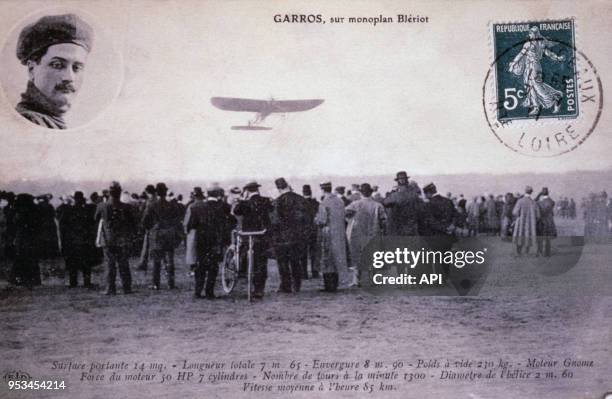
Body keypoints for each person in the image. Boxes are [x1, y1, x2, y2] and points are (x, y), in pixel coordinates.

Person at [15, 14, 94, 129]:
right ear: (32, 69)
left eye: (76, 67)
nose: (69, 77)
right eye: (57, 65)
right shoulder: (30, 121)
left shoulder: (51, 121)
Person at [508, 26, 566, 116]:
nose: (529, 35)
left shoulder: (528, 44)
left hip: (532, 67)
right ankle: (536, 106)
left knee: (536, 85)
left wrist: (513, 64)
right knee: (532, 86)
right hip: (535, 67)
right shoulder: (541, 43)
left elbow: (520, 54)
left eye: (530, 33)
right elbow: (548, 53)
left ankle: (555, 98)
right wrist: (557, 58)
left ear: (534, 34)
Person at [184, 187, 227, 299]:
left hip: (201, 240)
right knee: (213, 266)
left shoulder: (196, 207)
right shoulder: (220, 207)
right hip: (215, 240)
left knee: (200, 266)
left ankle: (198, 291)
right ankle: (210, 292)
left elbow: (191, 225)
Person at [233, 181, 273, 299]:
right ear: (257, 189)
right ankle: (259, 289)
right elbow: (271, 210)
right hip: (262, 235)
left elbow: (236, 211)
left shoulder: (244, 203)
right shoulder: (266, 201)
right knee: (261, 262)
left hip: (248, 235)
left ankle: (245, 279)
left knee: (248, 258)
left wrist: (241, 199)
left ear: (247, 191)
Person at [94, 181, 135, 295]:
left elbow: (96, 219)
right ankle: (127, 287)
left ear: (109, 193)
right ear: (119, 192)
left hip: (108, 239)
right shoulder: (126, 207)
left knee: (109, 264)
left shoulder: (102, 206)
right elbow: (132, 223)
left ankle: (110, 288)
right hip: (122, 238)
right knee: (123, 264)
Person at [271, 178, 309, 293]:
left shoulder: (277, 202)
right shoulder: (301, 199)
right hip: (298, 236)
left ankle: (286, 285)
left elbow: (275, 221)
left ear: (278, 189)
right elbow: (307, 218)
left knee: (282, 262)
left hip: (282, 237)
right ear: (288, 185)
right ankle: (297, 285)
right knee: (295, 261)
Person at [141, 183, 182, 290]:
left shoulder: (151, 205)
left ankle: (156, 284)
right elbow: (177, 220)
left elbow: (145, 221)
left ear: (156, 192)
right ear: (165, 192)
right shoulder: (172, 205)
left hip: (156, 234)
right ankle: (171, 283)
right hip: (169, 233)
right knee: (169, 259)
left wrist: (151, 228)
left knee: (156, 261)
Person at [345, 183, 386, 287]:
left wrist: (350, 221)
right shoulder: (378, 205)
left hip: (357, 234)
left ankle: (356, 280)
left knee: (357, 256)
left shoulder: (355, 204)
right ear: (371, 192)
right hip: (373, 233)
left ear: (361, 192)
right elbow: (384, 220)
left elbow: (345, 213)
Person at [315, 182, 349, 292]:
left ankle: (329, 285)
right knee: (337, 259)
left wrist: (315, 219)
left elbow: (322, 220)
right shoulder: (340, 201)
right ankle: (335, 283)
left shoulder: (324, 202)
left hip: (328, 233)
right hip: (339, 232)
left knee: (327, 259)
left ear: (322, 189)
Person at [58, 191, 96, 288]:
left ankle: (73, 282)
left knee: (72, 263)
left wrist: (64, 240)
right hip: (85, 240)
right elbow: (92, 225)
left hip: (72, 240)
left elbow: (62, 226)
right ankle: (86, 282)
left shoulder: (68, 210)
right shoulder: (88, 210)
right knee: (86, 263)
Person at [12, 194, 41, 288]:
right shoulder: (34, 211)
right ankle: (33, 278)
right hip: (31, 237)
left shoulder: (19, 212)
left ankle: (21, 278)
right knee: (31, 258)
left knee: (21, 257)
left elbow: (15, 222)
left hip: (22, 237)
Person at [383, 171, 423, 236]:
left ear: (398, 181)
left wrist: (391, 192)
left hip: (399, 229)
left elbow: (385, 203)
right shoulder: (414, 194)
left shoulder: (395, 195)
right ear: (407, 180)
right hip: (412, 228)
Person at [512, 186, 540, 255]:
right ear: (531, 192)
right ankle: (526, 251)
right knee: (529, 236)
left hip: (521, 222)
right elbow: (538, 215)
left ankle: (519, 252)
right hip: (530, 223)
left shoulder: (520, 201)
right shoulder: (534, 202)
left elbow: (515, 212)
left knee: (520, 235)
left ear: (525, 191)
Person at [299, 185, 320, 279]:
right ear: (310, 192)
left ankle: (304, 273)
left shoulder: (300, 203)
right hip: (314, 230)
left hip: (303, 231)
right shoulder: (316, 203)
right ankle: (315, 271)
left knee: (303, 253)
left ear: (303, 192)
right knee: (314, 252)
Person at [137, 184, 157, 271]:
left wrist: (142, 225)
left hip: (150, 226)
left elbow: (146, 215)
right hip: (157, 226)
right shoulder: (156, 200)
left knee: (146, 246)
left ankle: (143, 264)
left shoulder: (150, 202)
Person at [535, 187, 556, 257]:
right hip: (549, 221)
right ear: (548, 193)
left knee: (540, 237)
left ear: (542, 194)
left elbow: (534, 201)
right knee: (548, 238)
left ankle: (539, 252)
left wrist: (539, 194)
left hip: (541, 221)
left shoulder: (539, 203)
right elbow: (552, 202)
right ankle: (547, 253)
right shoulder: (551, 202)